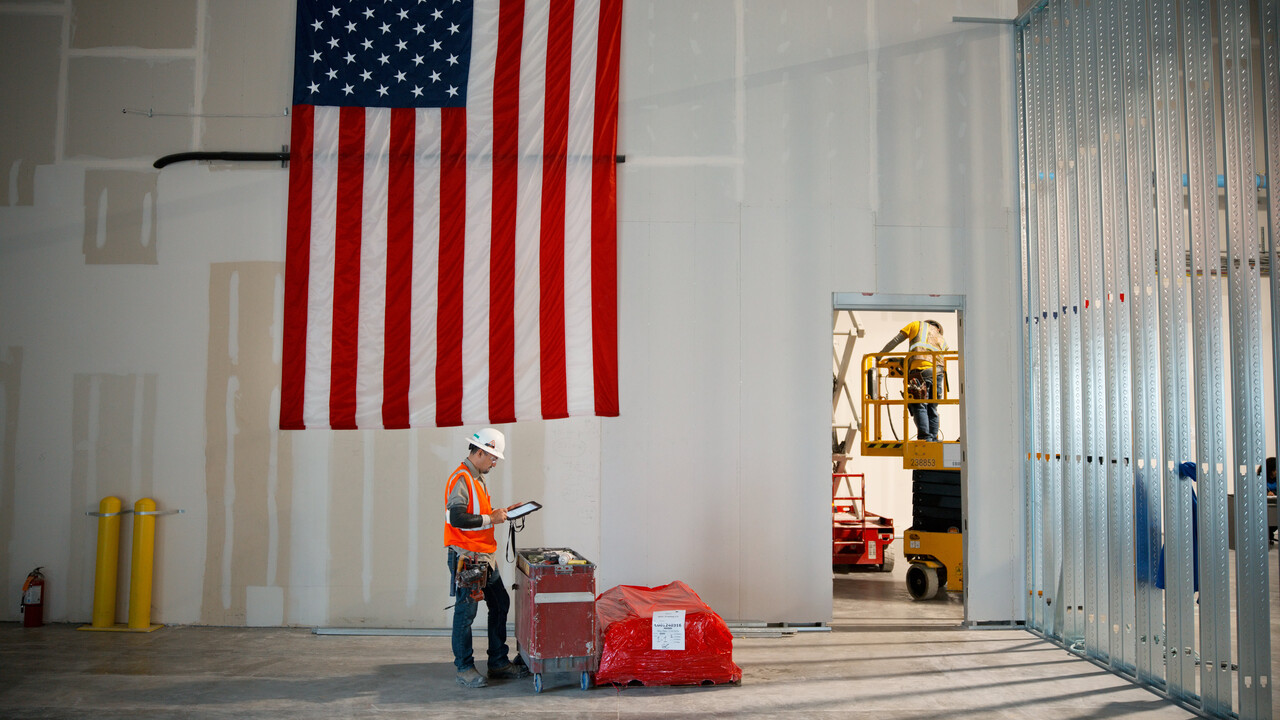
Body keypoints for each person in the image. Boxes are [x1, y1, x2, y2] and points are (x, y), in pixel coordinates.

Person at [444, 428, 529, 688]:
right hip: (468, 558)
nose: (494, 463)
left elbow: (477, 514)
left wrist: (500, 513)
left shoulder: (476, 478)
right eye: (493, 458)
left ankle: (498, 662)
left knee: (500, 603)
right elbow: (457, 517)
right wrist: (491, 518)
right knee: (466, 614)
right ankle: (464, 668)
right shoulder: (461, 478)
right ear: (480, 452)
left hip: (483, 557)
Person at [880, 319, 948, 441]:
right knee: (932, 407)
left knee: (919, 405)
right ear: (938, 329)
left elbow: (896, 341)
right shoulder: (942, 339)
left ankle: (925, 438)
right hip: (938, 374)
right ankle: (933, 439)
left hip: (920, 372)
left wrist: (879, 355)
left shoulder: (917, 325)